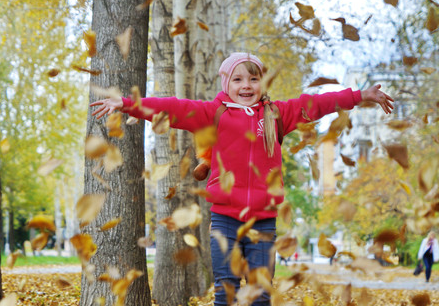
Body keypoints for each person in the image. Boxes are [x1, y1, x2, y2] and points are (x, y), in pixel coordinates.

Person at [91, 52, 394, 305]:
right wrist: (128, 104)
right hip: (225, 218)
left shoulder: (277, 114)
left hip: (263, 220)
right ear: (227, 83)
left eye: (253, 78)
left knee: (261, 292)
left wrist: (360, 95)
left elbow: (316, 104)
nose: (246, 85)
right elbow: (173, 108)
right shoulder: (214, 114)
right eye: (238, 79)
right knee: (227, 289)